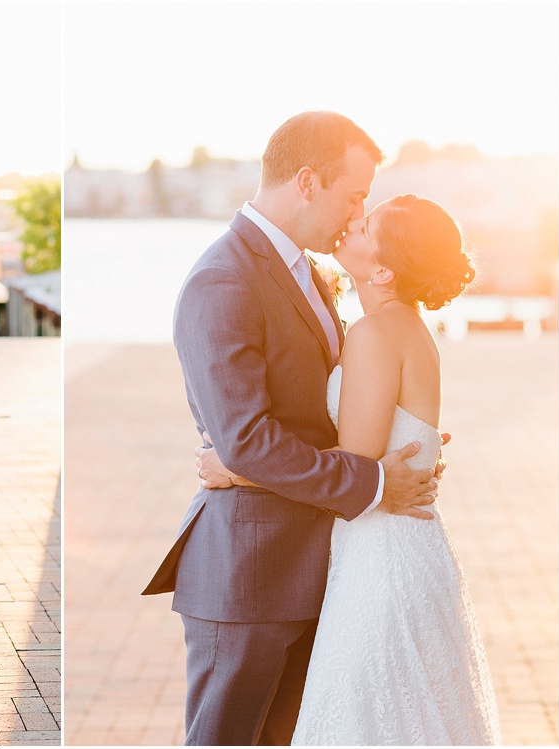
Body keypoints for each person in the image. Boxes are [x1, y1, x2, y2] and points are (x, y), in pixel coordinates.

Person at [141, 112, 443, 745]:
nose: (360, 211)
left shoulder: (306, 272)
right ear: (308, 182)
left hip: (317, 566)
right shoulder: (225, 278)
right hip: (249, 575)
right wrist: (374, 481)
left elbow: (321, 414)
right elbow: (245, 439)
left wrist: (401, 445)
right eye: (355, 194)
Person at [198, 195, 500, 744]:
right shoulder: (402, 326)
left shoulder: (376, 333)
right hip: (405, 543)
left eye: (365, 225)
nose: (351, 222)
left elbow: (354, 464)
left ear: (382, 268)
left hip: (380, 554)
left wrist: (234, 468)